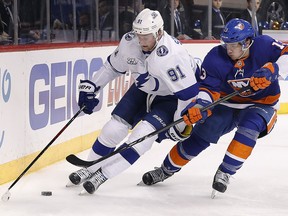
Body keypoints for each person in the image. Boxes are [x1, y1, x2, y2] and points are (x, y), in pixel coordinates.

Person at [141, 18, 288, 198]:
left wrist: (274, 69)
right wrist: (201, 105)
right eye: (227, 44)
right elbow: (208, 89)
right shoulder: (216, 57)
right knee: (200, 136)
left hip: (261, 104)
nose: (229, 49)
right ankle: (165, 169)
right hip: (226, 104)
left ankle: (225, 172)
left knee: (250, 127)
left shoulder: (265, 46)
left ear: (248, 42)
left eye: (234, 45)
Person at [67, 8, 200, 195]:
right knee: (113, 128)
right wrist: (92, 87)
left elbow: (189, 95)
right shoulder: (130, 41)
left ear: (159, 33)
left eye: (146, 36)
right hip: (144, 89)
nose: (141, 40)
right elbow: (112, 67)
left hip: (171, 98)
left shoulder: (172, 56)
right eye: (139, 34)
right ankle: (89, 168)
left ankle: (103, 174)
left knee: (141, 137)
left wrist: (179, 124)